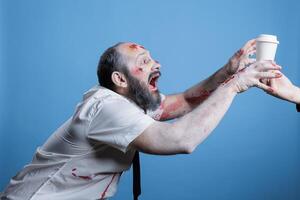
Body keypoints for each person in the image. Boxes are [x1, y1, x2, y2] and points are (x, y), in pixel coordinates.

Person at [1, 40, 282, 200]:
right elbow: (180, 139)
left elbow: (183, 101)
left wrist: (228, 72)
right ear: (119, 79)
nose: (156, 64)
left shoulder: (135, 102)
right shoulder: (106, 108)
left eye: (152, 58)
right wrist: (235, 86)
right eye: (144, 61)